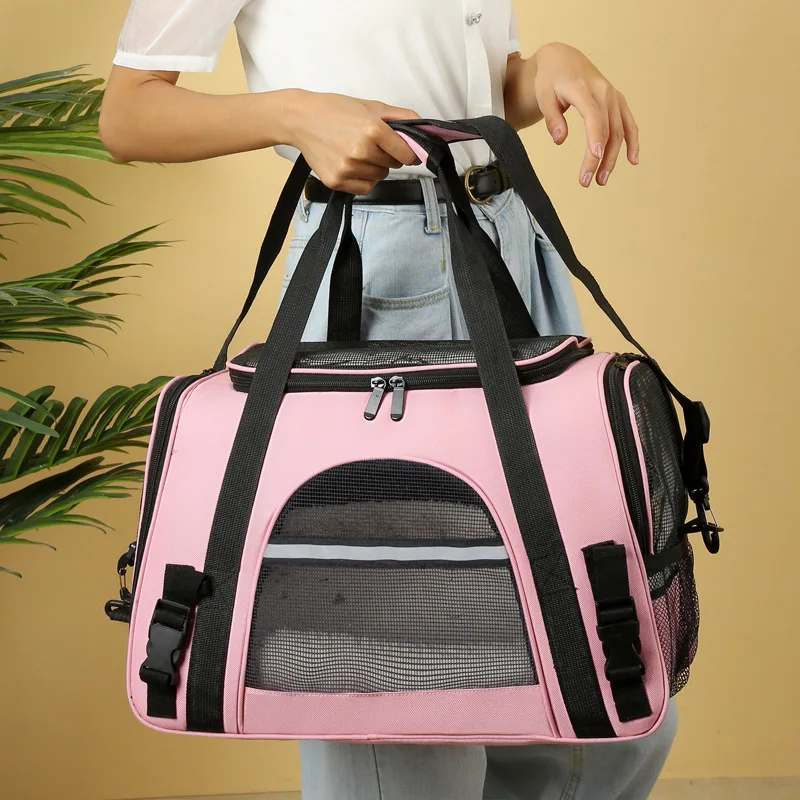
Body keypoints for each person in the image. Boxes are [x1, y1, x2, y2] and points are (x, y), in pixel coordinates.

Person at [100, 2, 677, 798]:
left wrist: (546, 67)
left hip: (504, 242)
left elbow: (463, 87)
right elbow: (128, 113)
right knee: (397, 673)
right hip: (374, 269)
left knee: (583, 684)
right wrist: (295, 115)